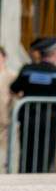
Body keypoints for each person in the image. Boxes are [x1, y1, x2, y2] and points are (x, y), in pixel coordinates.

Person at [9, 36, 56, 173]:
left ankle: (24, 182)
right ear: (55, 53)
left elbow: (13, 89)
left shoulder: (27, 70)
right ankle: (40, 181)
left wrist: (24, 95)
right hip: (50, 120)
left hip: (28, 119)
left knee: (27, 153)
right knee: (46, 154)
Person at [0, 44, 14, 172]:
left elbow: (14, 98)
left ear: (4, 57)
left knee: (4, 148)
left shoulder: (11, 75)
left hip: (4, 117)